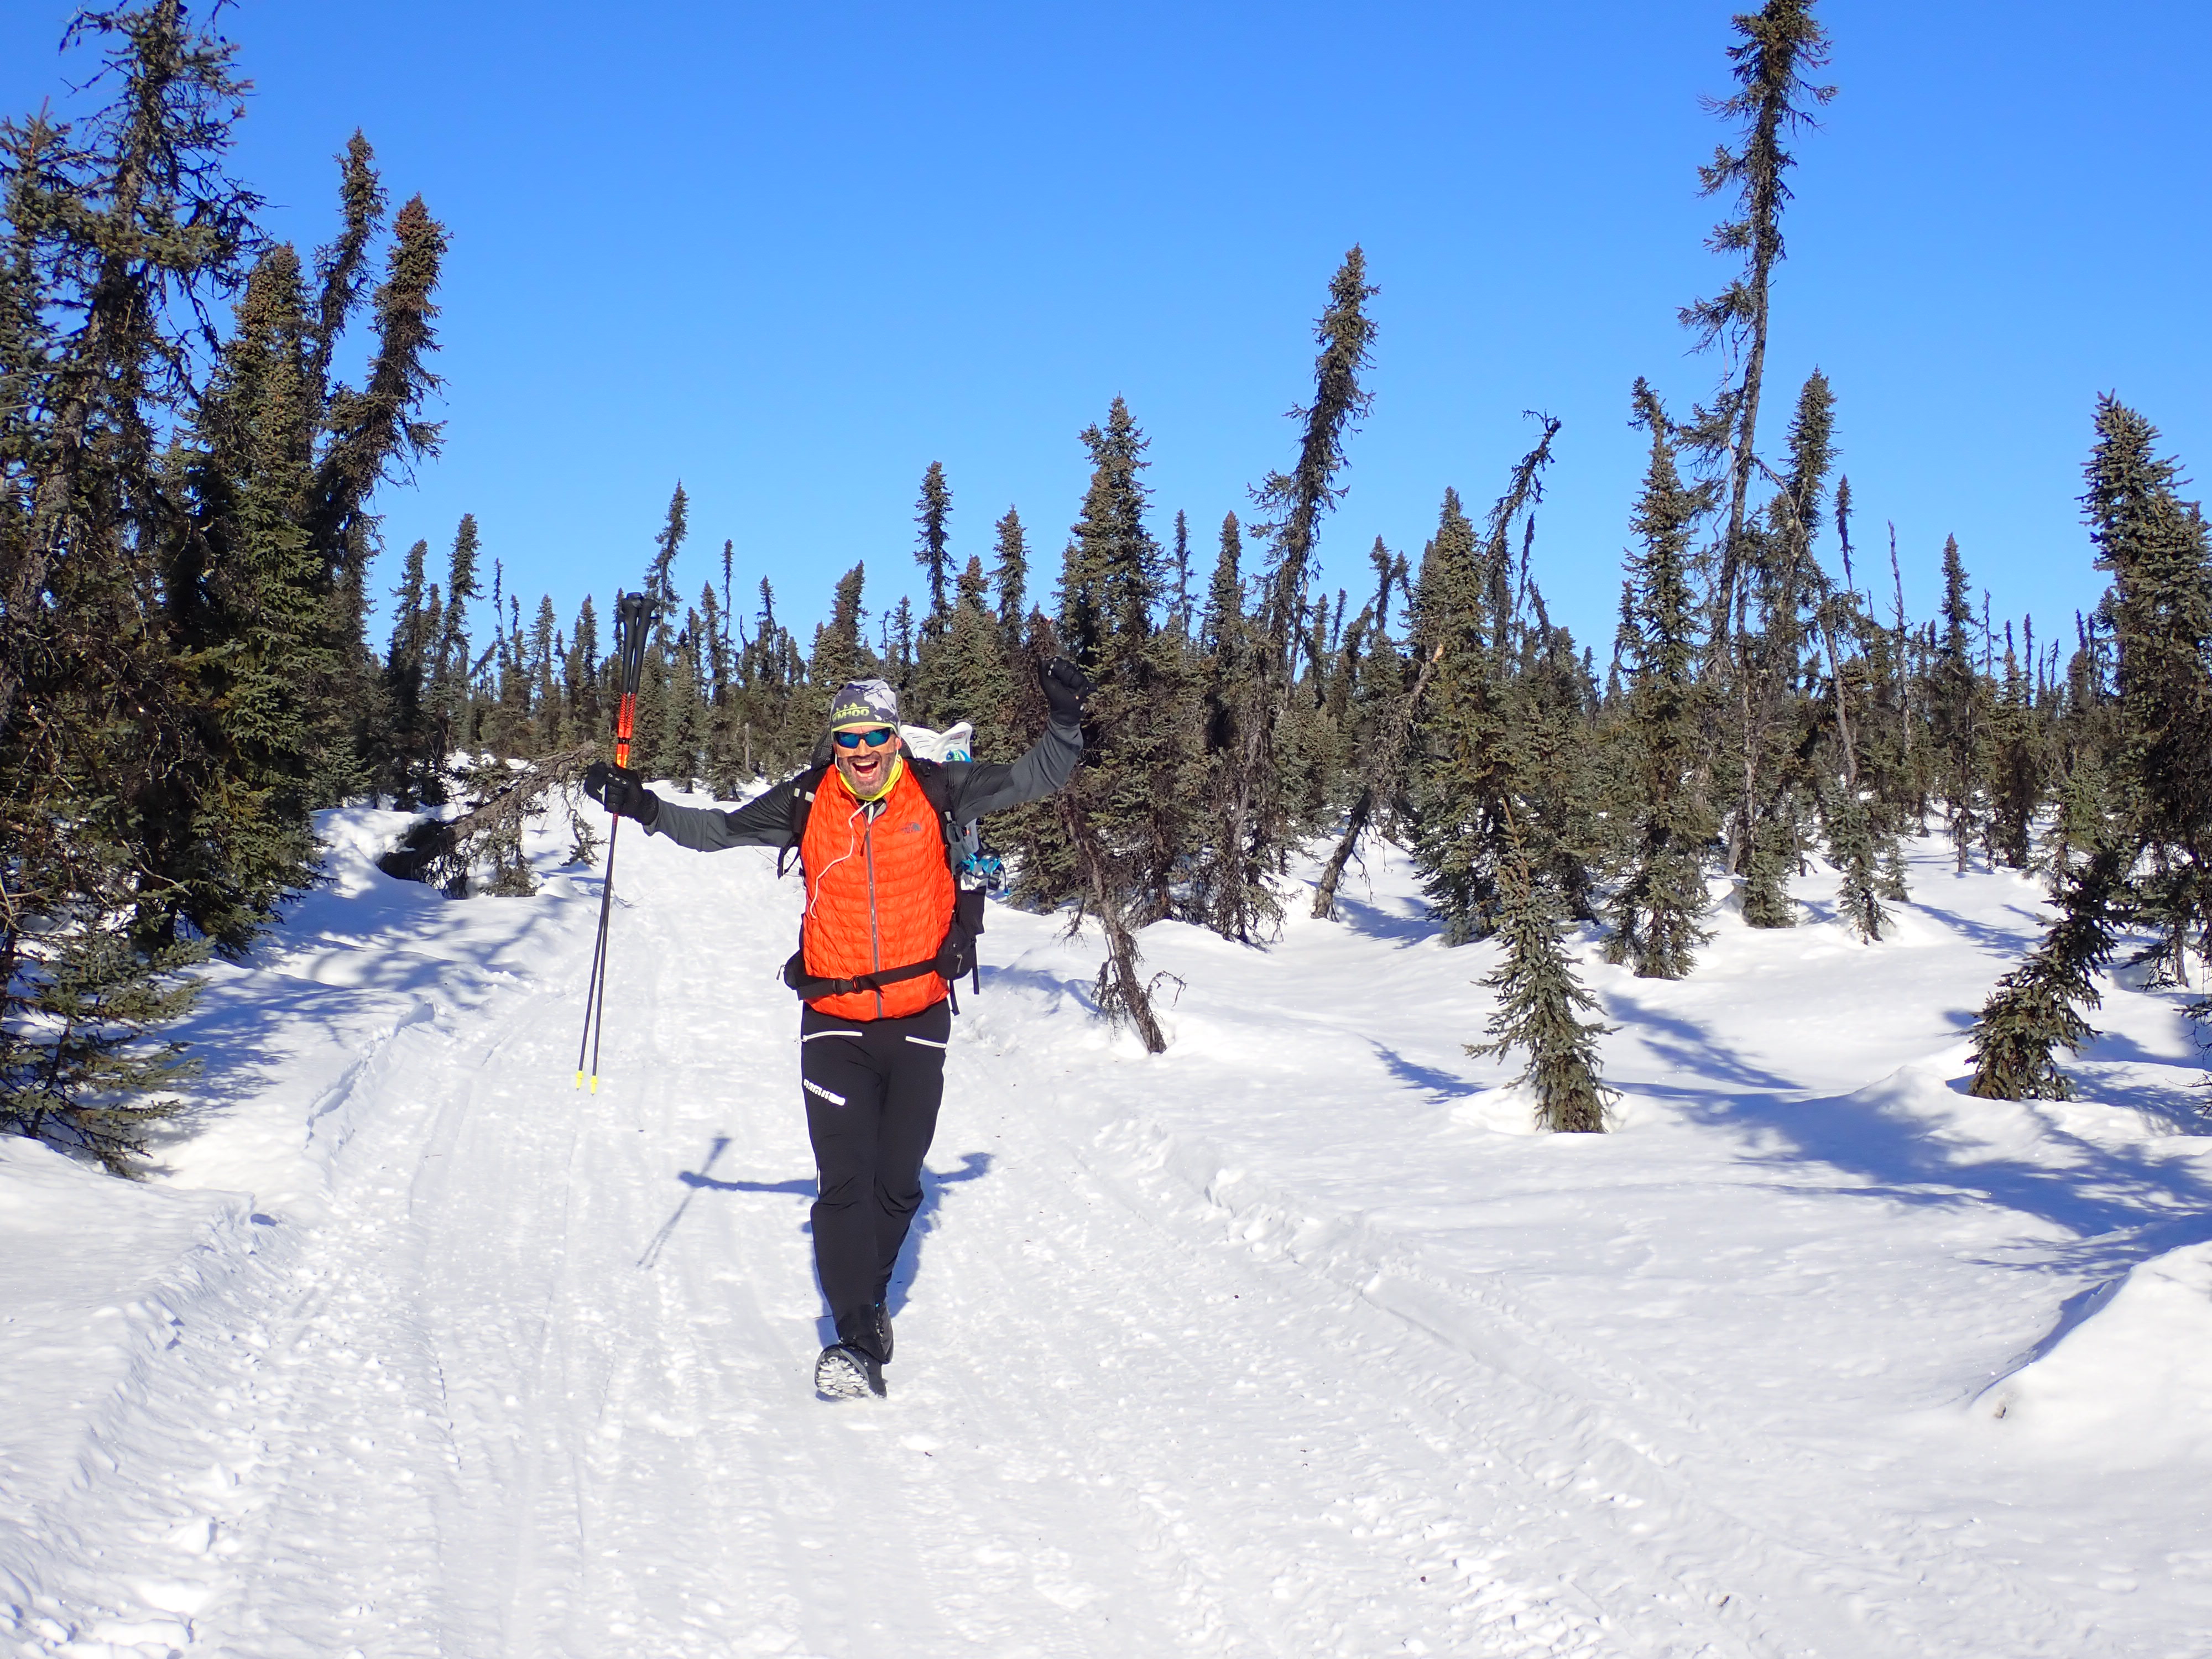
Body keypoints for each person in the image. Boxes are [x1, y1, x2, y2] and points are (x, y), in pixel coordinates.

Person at [584, 660, 1090, 1399]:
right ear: (835, 742)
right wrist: (644, 807)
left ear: (895, 738)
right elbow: (716, 831)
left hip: (918, 1016)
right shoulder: (807, 798)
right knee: (844, 1184)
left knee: (899, 1186)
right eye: (848, 738)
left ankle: (869, 1296)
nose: (861, 751)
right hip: (832, 1021)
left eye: (874, 736)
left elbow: (1041, 773)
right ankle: (855, 1339)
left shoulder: (941, 790)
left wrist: (1066, 719)